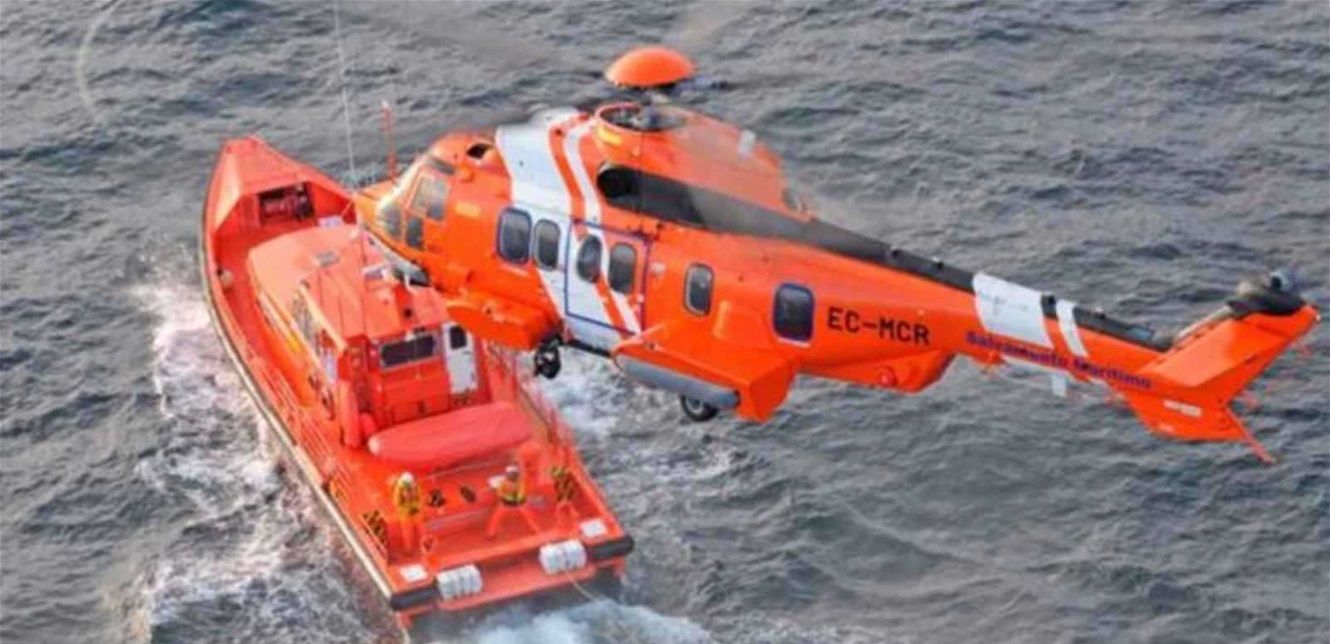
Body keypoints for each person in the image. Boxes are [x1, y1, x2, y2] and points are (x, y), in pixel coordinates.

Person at [485, 463, 540, 539]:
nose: (512, 475)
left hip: (521, 504)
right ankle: (491, 534)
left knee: (531, 518)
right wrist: (495, 488)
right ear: (507, 474)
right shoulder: (503, 482)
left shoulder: (521, 481)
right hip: (506, 504)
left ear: (517, 474)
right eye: (510, 474)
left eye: (513, 474)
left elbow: (530, 477)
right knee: (496, 518)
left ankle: (538, 531)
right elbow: (498, 491)